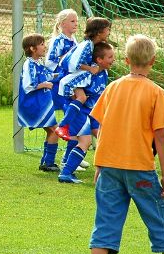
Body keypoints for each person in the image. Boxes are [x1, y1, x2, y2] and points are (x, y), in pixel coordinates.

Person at [89, 35, 164, 254]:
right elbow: (160, 136)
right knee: (160, 224)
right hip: (140, 169)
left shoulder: (112, 88)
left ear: (127, 60)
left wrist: (99, 164)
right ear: (154, 60)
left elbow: (102, 127)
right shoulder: (157, 93)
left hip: (109, 167)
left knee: (105, 225)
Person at [55, 16, 111, 167]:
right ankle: (63, 126)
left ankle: (70, 160)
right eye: (107, 29)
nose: (109, 32)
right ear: (99, 31)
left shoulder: (93, 45)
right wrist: (90, 68)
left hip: (78, 79)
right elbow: (72, 64)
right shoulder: (86, 45)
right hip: (71, 78)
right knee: (81, 98)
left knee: (86, 126)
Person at [57, 42, 115, 183]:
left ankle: (110, 169)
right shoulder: (88, 74)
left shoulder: (104, 73)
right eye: (110, 57)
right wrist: (72, 96)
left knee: (103, 137)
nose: (113, 59)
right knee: (85, 141)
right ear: (99, 60)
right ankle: (66, 173)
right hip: (82, 113)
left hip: (93, 112)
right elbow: (66, 82)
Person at [16, 33, 60, 172]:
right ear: (32, 48)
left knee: (51, 130)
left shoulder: (37, 63)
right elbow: (28, 85)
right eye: (41, 44)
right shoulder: (29, 64)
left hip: (42, 104)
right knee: (54, 130)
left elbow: (48, 75)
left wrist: (63, 75)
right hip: (34, 105)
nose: (44, 47)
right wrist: (45, 85)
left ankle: (46, 162)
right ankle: (48, 162)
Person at [46, 9, 79, 112]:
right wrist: (68, 57)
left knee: (73, 106)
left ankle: (69, 126)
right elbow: (50, 61)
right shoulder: (58, 40)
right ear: (63, 23)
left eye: (76, 21)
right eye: (72, 21)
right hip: (59, 79)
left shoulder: (74, 40)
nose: (76, 24)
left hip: (70, 77)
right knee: (51, 109)